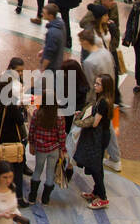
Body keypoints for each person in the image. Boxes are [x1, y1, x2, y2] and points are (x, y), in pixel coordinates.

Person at [0, 59, 30, 207]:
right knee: (17, 166)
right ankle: (19, 198)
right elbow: (20, 121)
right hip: (10, 139)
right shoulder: (11, 105)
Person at [74, 74, 115, 209]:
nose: (95, 86)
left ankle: (102, 197)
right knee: (96, 165)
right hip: (101, 135)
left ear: (105, 87)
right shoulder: (103, 99)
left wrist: (80, 122)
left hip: (99, 137)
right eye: (95, 83)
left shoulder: (103, 102)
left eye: (98, 84)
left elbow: (95, 122)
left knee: (95, 166)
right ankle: (96, 192)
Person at [28, 78, 66, 206]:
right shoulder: (59, 117)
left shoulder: (37, 114)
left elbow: (31, 130)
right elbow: (61, 135)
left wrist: (31, 144)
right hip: (54, 149)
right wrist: (63, 150)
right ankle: (45, 198)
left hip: (40, 148)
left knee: (37, 170)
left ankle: (32, 197)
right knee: (50, 173)